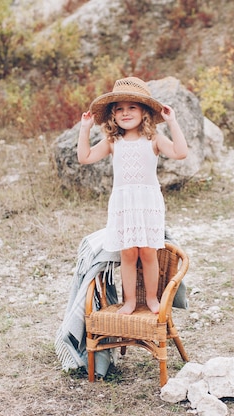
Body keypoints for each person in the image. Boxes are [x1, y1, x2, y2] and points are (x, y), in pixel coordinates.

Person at [77, 77, 188, 315]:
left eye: (132, 107)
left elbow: (180, 152)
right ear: (113, 115)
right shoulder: (112, 141)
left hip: (147, 203)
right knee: (128, 253)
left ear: (144, 111)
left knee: (148, 252)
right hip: (123, 203)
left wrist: (172, 121)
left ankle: (150, 299)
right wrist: (85, 129)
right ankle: (129, 302)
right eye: (119, 109)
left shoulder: (154, 139)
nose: (125, 113)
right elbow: (84, 157)